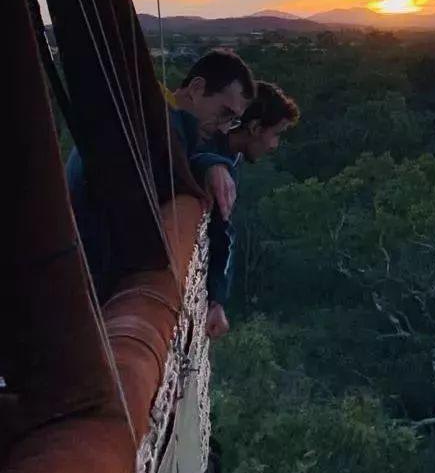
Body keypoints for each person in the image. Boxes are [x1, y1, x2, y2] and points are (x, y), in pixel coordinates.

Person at [67, 48, 255, 298]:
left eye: (232, 121)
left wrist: (210, 164)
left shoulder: (154, 119)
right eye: (225, 114)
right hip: (89, 291)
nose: (223, 129)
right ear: (197, 88)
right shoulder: (155, 129)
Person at [191, 81, 300, 338]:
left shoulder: (230, 157)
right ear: (254, 127)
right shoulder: (205, 144)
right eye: (275, 134)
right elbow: (177, 159)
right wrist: (210, 164)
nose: (274, 145)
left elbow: (222, 230)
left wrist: (216, 300)